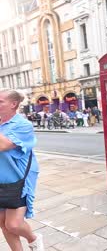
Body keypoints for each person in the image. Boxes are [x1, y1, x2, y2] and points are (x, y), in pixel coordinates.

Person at [0, 89, 44, 251]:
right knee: (4, 225)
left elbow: (3, 145)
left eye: (0, 101)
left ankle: (33, 238)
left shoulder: (23, 125)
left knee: (13, 224)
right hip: (1, 179)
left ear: (13, 104)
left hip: (18, 180)